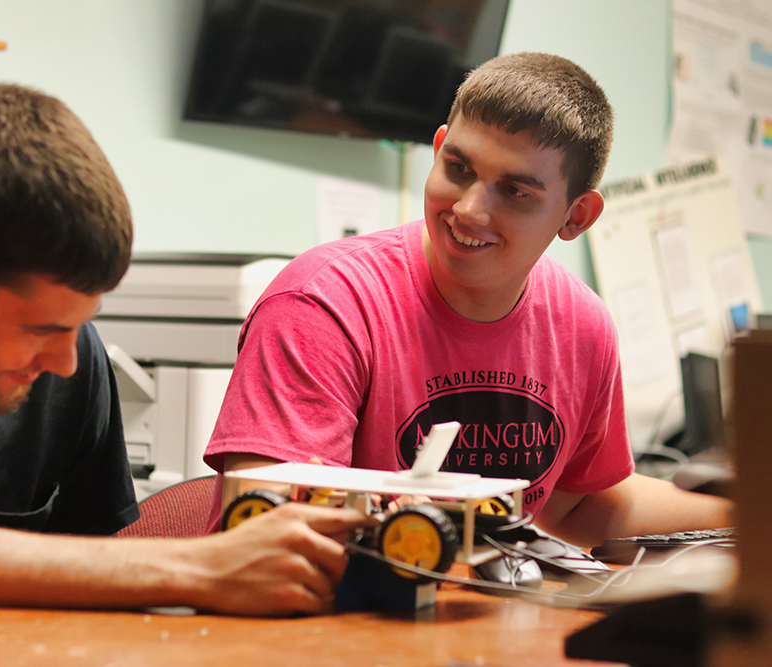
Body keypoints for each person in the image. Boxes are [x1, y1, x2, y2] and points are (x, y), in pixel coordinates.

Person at [0, 83, 373, 616]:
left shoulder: (71, 357)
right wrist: (203, 568)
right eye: (42, 329)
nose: (65, 362)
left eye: (75, 328)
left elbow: (91, 580)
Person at [204, 52, 733, 546]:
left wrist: (745, 518)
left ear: (576, 217)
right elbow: (270, 528)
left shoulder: (582, 325)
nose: (470, 210)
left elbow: (580, 506)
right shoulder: (323, 303)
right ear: (437, 152)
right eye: (458, 168)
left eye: (515, 191)